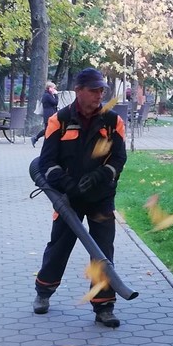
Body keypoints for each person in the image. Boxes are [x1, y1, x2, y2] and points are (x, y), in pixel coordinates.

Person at [33, 68, 127, 327]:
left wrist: (99, 176)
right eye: (94, 90)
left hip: (101, 198)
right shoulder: (59, 120)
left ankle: (104, 307)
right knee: (60, 246)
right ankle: (43, 292)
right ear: (79, 90)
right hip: (68, 199)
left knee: (103, 251)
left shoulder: (112, 121)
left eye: (101, 90)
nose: (100, 94)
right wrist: (66, 184)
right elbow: (46, 162)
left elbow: (119, 158)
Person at [31, 81, 59, 147]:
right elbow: (55, 102)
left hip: (50, 113)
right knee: (48, 129)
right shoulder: (47, 95)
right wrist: (56, 95)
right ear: (49, 88)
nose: (54, 89)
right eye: (53, 88)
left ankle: (41, 140)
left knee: (49, 129)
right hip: (49, 114)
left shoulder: (47, 95)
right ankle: (36, 138)